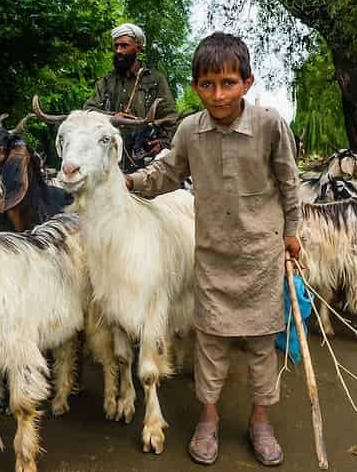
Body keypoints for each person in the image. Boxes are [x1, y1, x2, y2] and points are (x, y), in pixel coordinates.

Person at [125, 32, 301, 467]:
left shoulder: (269, 125)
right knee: (211, 344)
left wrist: (293, 232)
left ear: (247, 82)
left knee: (261, 345)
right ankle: (208, 419)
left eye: (227, 83)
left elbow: (289, 182)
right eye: (207, 84)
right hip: (212, 255)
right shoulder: (190, 131)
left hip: (261, 256)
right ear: (195, 87)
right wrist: (127, 183)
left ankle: (261, 420)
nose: (218, 94)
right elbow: (166, 173)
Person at [84, 23, 177, 168]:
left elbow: (170, 118)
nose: (119, 51)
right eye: (116, 46)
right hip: (109, 162)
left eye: (124, 46)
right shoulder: (106, 81)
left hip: (144, 164)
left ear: (138, 48)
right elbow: (88, 111)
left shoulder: (155, 81)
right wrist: (111, 117)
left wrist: (163, 143)